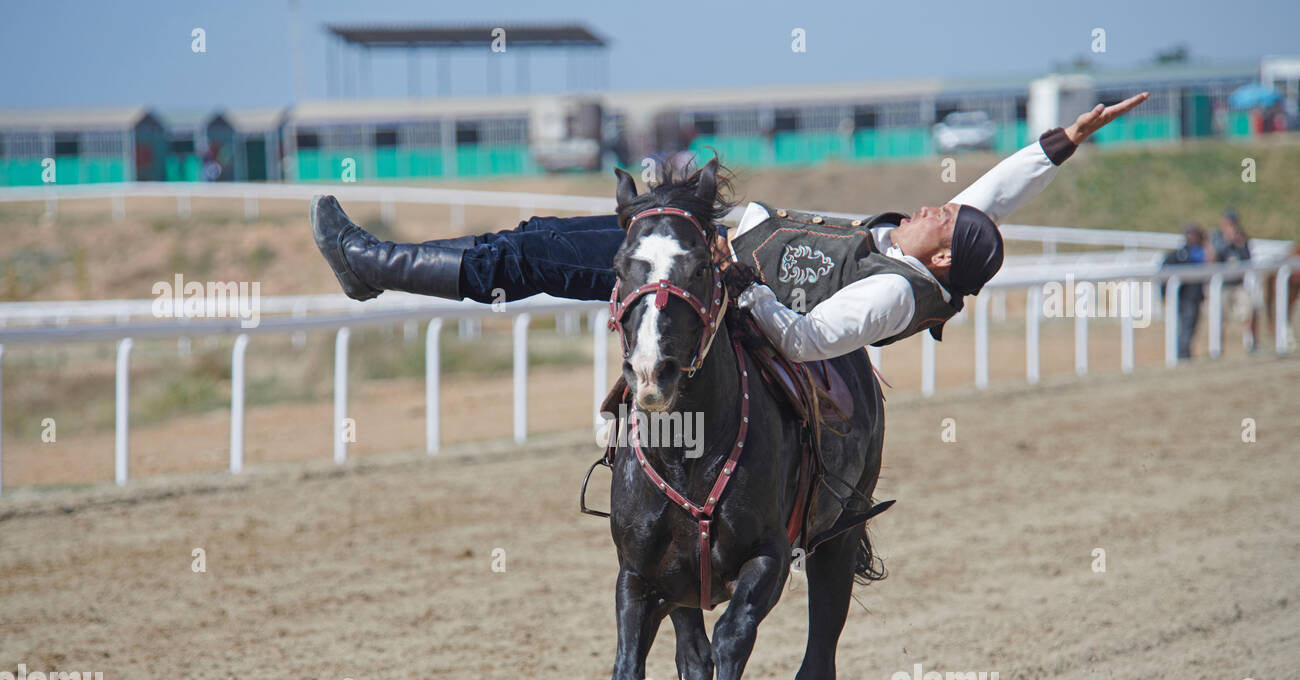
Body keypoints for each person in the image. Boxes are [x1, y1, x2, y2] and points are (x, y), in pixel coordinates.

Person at [310, 93, 1150, 359]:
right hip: (713, 244)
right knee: (532, 240)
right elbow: (992, 201)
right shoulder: (927, 253)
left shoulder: (895, 294)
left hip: (705, 274)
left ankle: (372, 264)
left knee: (532, 254)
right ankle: (374, 265)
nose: (942, 203)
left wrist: (742, 287)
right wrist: (1065, 140)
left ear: (943, 252)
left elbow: (812, 340)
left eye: (947, 216)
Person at [1211, 208, 1262, 351]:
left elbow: (1248, 259)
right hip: (1222, 285)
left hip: (1239, 284)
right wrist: (1228, 241)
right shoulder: (1217, 238)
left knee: (1250, 311)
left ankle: (1252, 344)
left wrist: (1239, 243)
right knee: (1219, 318)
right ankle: (1217, 348)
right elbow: (1214, 258)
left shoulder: (1242, 238)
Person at [1164, 225, 1208, 361]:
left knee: (1188, 327)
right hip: (1185, 298)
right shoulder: (1185, 254)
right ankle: (1183, 355)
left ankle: (1183, 354)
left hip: (1191, 297)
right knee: (1186, 327)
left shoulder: (1194, 252)